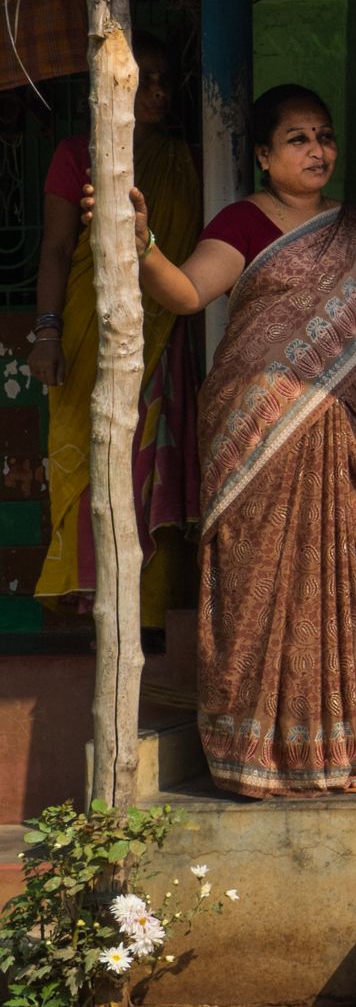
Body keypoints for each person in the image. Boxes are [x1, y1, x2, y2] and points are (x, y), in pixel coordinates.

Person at [115, 83, 356, 797]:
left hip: (344, 424)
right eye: (298, 138)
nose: (318, 150)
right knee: (258, 587)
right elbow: (187, 293)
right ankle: (248, 759)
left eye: (324, 135)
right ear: (262, 154)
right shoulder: (244, 222)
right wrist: (144, 246)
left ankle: (325, 746)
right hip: (256, 428)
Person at [29, 33, 200, 631]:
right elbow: (55, 249)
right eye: (141, 78)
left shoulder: (188, 157)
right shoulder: (78, 153)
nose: (155, 91)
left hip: (162, 325)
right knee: (96, 457)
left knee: (149, 457)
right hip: (89, 329)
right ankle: (96, 604)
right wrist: (46, 333)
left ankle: (152, 612)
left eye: (163, 80)